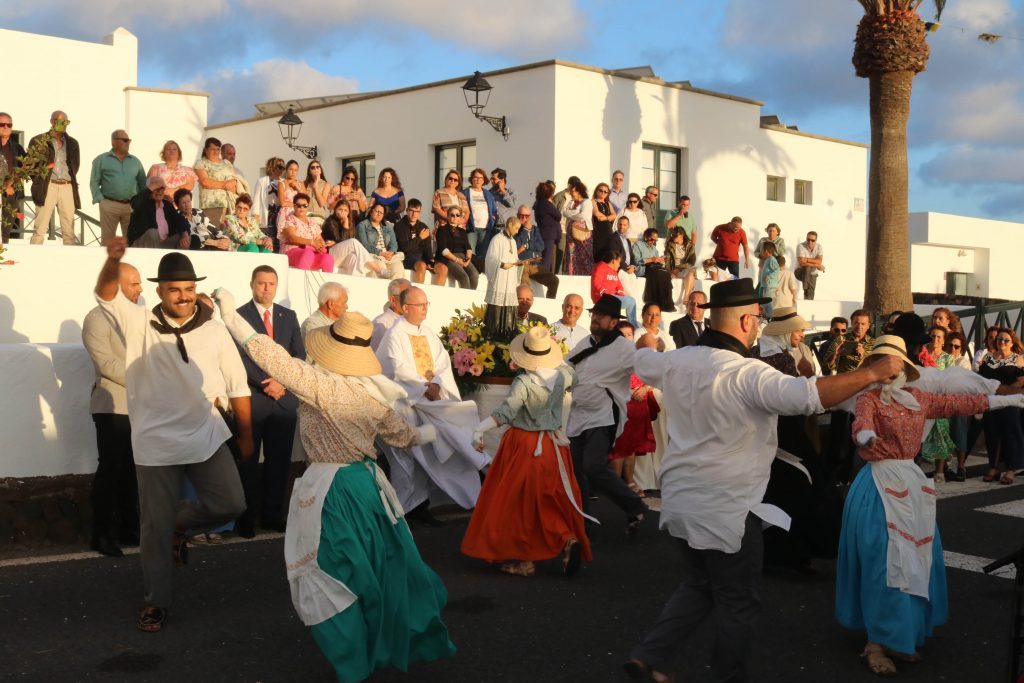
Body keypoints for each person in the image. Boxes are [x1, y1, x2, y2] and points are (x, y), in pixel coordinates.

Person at [626, 278, 906, 683]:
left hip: (679, 501)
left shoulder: (676, 360)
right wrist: (874, 372)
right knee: (738, 602)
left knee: (701, 583)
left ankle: (649, 657)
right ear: (743, 320)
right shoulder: (747, 373)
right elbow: (809, 395)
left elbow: (642, 359)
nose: (760, 325)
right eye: (758, 318)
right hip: (728, 508)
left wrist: (646, 343)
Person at [210, 295, 456, 682]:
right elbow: (403, 435)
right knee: (378, 566)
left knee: (334, 573)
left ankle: (353, 660)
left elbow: (268, 354)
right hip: (371, 487)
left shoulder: (320, 384)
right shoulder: (373, 395)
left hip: (333, 489)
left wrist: (229, 315)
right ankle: (374, 647)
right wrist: (426, 432)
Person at [835, 336, 1024, 676]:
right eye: (880, 363)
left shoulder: (920, 399)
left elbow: (961, 403)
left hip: (910, 482)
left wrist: (1010, 400)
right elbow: (860, 426)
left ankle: (900, 637)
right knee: (883, 560)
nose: (887, 370)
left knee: (917, 560)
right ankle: (876, 641)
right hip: (878, 484)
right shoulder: (869, 400)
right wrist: (866, 438)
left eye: (891, 363)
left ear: (903, 367)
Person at [94, 243, 252, 633]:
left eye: (187, 288)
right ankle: (155, 603)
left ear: (195, 288)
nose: (181, 296)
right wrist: (113, 261)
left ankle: (181, 526)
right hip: (154, 443)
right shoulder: (138, 323)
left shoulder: (215, 331)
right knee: (153, 529)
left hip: (206, 435)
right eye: (172, 289)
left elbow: (238, 385)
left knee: (231, 503)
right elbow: (105, 294)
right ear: (160, 291)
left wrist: (246, 435)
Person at [462, 327, 590, 578]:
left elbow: (505, 413)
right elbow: (575, 376)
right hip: (553, 446)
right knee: (548, 499)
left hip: (524, 445)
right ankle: (565, 538)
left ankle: (526, 560)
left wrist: (479, 429)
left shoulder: (523, 382)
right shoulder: (563, 375)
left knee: (518, 502)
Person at [376, 287, 490, 518]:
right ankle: (403, 511)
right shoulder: (394, 335)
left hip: (429, 402)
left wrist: (437, 383)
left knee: (428, 457)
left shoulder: (428, 332)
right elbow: (396, 369)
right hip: (405, 407)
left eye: (427, 304)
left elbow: (442, 363)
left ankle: (422, 506)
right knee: (406, 460)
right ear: (405, 307)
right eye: (420, 305)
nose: (425, 309)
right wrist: (423, 388)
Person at [566, 294, 648, 533]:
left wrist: (650, 385)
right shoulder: (586, 342)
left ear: (614, 322)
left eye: (600, 315)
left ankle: (634, 504)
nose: (595, 317)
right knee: (577, 469)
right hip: (578, 415)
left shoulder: (623, 348)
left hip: (603, 415)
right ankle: (583, 521)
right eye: (594, 313)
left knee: (593, 466)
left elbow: (645, 366)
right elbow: (566, 365)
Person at [234, 266, 305, 536]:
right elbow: (239, 357)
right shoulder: (240, 316)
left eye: (271, 284)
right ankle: (247, 519)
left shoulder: (288, 316)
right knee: (248, 461)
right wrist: (266, 383)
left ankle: (273, 515)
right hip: (253, 400)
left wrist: (282, 382)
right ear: (252, 284)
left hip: (283, 401)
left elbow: (298, 355)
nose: (266, 288)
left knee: (279, 461)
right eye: (261, 283)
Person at [82, 261, 143, 556]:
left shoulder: (140, 317)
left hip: (141, 406)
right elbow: (105, 364)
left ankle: (132, 528)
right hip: (112, 405)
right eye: (134, 283)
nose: (140, 288)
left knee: (135, 471)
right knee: (111, 470)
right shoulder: (96, 318)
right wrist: (145, 376)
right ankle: (102, 534)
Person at [609, 320, 659, 498]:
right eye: (622, 335)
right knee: (619, 446)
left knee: (632, 446)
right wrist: (629, 391)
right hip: (622, 405)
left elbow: (653, 376)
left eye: (629, 334)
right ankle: (615, 484)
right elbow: (608, 382)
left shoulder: (641, 356)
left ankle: (629, 480)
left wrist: (645, 388)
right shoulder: (611, 357)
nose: (626, 338)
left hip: (639, 407)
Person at [977, 328, 1024, 485]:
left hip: (1010, 400)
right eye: (999, 340)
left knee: (1011, 431)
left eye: (1006, 340)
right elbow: (982, 379)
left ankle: (1011, 469)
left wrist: (1003, 391)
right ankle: (994, 466)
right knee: (991, 431)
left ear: (1012, 343)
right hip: (992, 401)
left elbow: (1021, 381)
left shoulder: (1018, 360)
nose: (1002, 342)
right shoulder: (988, 358)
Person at [28, 111, 80, 245]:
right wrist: (41, 180)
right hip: (47, 185)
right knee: (40, 229)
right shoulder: (38, 140)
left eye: (65, 122)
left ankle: (70, 262)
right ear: (52, 122)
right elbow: (30, 166)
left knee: (69, 231)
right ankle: (33, 261)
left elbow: (75, 166)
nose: (63, 125)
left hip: (67, 186)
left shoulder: (73, 143)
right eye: (59, 121)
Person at [90, 129, 146, 244]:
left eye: (129, 141)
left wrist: (140, 204)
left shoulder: (135, 162)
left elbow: (143, 183)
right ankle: (108, 262)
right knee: (108, 242)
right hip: (109, 205)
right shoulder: (101, 160)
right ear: (113, 142)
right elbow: (94, 181)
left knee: (131, 241)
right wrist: (101, 200)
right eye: (125, 140)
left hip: (131, 206)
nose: (128, 143)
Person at [919, 326, 956, 483]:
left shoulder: (948, 358)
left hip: (939, 401)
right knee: (920, 434)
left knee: (940, 432)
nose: (935, 339)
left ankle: (939, 470)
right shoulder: (921, 355)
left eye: (939, 337)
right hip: (921, 399)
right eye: (933, 336)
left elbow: (950, 380)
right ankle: (916, 470)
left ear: (943, 340)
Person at [483, 216, 527, 337]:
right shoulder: (497, 239)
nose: (517, 231)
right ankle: (494, 332)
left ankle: (507, 333)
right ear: (510, 224)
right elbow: (490, 259)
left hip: (509, 281)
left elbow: (514, 259)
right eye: (517, 228)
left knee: (509, 308)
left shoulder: (513, 241)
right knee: (497, 310)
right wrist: (502, 264)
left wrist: (519, 263)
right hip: (500, 280)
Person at [395, 199, 448, 285]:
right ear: (407, 210)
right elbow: (405, 248)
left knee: (443, 268)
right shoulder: (399, 226)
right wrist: (420, 237)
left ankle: (438, 296)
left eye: (417, 212)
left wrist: (430, 260)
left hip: (422, 258)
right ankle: (419, 294)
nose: (414, 214)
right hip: (407, 258)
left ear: (420, 212)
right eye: (411, 211)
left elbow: (427, 248)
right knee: (421, 265)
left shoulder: (423, 226)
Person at [127, 176, 190, 249]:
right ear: (150, 190)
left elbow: (179, 219)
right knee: (153, 233)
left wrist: (184, 234)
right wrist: (149, 189)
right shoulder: (143, 204)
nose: (159, 191)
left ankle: (177, 260)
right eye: (156, 189)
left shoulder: (167, 205)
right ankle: (153, 260)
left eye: (161, 188)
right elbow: (136, 204)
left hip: (162, 244)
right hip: (141, 244)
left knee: (185, 238)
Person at [279, 193, 334, 272]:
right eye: (298, 205)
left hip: (311, 252)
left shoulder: (312, 222)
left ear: (307, 207)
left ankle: (327, 284)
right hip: (292, 251)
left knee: (328, 258)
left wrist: (322, 245)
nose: (301, 208)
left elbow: (319, 238)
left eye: (304, 206)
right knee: (308, 253)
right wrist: (311, 242)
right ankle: (300, 282)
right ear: (294, 206)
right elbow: (292, 238)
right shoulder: (290, 219)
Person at [515, 205, 559, 299]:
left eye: (526, 216)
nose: (524, 218)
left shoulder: (535, 229)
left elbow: (541, 246)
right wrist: (524, 230)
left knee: (554, 281)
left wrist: (526, 246)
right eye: (521, 216)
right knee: (525, 285)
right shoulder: (516, 230)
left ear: (530, 217)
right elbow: (518, 245)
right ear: (517, 215)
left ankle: (549, 303)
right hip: (523, 265)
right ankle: (525, 302)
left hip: (536, 265)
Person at [193, 137, 237, 226]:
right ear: (206, 150)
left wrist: (232, 183)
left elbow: (234, 180)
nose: (216, 152)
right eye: (212, 149)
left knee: (229, 234)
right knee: (214, 233)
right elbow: (205, 182)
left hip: (229, 204)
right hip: (211, 205)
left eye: (218, 149)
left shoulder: (226, 163)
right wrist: (225, 184)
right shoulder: (201, 163)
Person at [357, 203, 404, 279]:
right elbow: (364, 245)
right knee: (380, 267)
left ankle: (397, 290)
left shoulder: (388, 226)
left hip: (388, 256)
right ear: (371, 211)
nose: (379, 214)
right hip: (373, 255)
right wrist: (380, 253)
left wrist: (391, 252)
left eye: (381, 212)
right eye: (376, 211)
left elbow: (394, 244)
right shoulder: (362, 225)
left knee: (398, 267)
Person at [436, 205, 479, 289]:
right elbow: (443, 250)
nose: (455, 217)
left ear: (459, 217)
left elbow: (468, 248)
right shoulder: (442, 229)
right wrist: (456, 260)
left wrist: (468, 259)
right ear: (448, 216)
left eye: (457, 215)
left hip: (462, 257)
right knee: (463, 276)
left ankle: (471, 300)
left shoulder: (462, 231)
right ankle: (464, 301)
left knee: (475, 275)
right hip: (448, 258)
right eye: (452, 215)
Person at [591, 250, 638, 326]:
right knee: (631, 301)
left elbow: (619, 285)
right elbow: (596, 282)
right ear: (613, 261)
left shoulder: (614, 272)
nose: (619, 265)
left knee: (629, 302)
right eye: (618, 262)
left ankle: (620, 326)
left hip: (612, 298)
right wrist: (605, 293)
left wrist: (620, 292)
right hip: (602, 298)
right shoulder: (601, 266)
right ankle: (633, 325)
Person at [0, 112, 26, 243]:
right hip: (2, 190)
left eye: (9, 125)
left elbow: (24, 169)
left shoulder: (17, 148)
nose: (5, 127)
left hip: (11, 194)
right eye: (2, 124)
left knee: (6, 230)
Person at [464, 167, 498, 262]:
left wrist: (493, 217)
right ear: (471, 179)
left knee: (483, 255)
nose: (478, 180)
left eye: (480, 178)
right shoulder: (465, 193)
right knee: (471, 254)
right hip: (471, 229)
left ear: (484, 180)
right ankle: (472, 274)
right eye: (475, 177)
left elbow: (494, 209)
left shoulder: (488, 194)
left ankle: (481, 275)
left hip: (486, 230)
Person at [371, 278, 412, 350]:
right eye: (406, 296)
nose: (412, 300)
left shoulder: (413, 322)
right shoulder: (380, 324)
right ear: (393, 300)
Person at [562, 180, 593, 275]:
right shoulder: (571, 202)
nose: (571, 193)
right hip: (571, 235)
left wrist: (572, 214)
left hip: (583, 234)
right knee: (571, 257)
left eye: (573, 191)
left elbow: (583, 216)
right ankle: (571, 275)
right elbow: (564, 212)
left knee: (585, 256)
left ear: (579, 191)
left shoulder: (587, 202)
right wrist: (576, 212)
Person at [664, 226, 697, 313]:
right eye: (672, 235)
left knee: (691, 271)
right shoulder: (670, 244)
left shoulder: (690, 246)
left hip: (684, 268)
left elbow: (692, 261)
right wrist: (671, 270)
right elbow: (666, 259)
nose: (673, 237)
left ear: (681, 235)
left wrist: (679, 268)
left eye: (675, 235)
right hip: (672, 269)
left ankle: (685, 300)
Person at [533, 181, 563, 277]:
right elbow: (558, 215)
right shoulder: (546, 204)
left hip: (544, 232)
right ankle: (544, 276)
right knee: (547, 258)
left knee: (547, 257)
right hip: (549, 234)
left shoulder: (538, 203)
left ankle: (546, 274)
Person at [251, 157, 284, 232]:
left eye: (283, 167)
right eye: (280, 167)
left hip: (280, 215)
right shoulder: (262, 181)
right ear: (272, 167)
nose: (282, 169)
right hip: (267, 216)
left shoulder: (283, 182)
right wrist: (256, 217)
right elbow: (256, 201)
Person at [275, 160, 304, 230]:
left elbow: (306, 200)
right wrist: (297, 204)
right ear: (286, 170)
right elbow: (282, 203)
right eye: (291, 169)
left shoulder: (300, 183)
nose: (293, 172)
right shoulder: (281, 183)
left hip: (299, 213)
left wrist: (298, 189)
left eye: (296, 170)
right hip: (286, 214)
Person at [795, 231, 824, 300]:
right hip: (800, 271)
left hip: (812, 274)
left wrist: (807, 260)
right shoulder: (800, 246)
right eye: (808, 239)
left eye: (812, 240)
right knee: (807, 268)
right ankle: (805, 288)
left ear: (816, 241)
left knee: (810, 296)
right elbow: (801, 263)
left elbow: (819, 261)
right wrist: (817, 264)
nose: (810, 242)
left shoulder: (819, 247)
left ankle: (808, 306)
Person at [591, 182, 616, 259]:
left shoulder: (608, 203)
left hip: (608, 231)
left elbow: (614, 215)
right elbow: (597, 214)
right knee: (598, 253)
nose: (603, 193)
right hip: (598, 231)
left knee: (608, 253)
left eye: (605, 192)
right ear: (596, 191)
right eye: (601, 190)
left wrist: (605, 218)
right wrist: (609, 217)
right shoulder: (593, 201)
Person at [488, 167, 517, 233]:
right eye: (491, 179)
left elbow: (511, 204)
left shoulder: (511, 192)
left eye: (494, 179)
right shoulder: (489, 193)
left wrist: (503, 191)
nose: (492, 181)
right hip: (494, 229)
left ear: (502, 180)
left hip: (508, 228)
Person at [756, 241, 780, 320]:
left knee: (767, 300)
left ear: (766, 251)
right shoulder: (767, 260)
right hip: (766, 285)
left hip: (770, 285)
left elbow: (777, 270)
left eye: (762, 250)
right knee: (764, 300)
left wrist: (769, 276)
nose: (761, 252)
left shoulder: (772, 259)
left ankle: (770, 317)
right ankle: (766, 315)